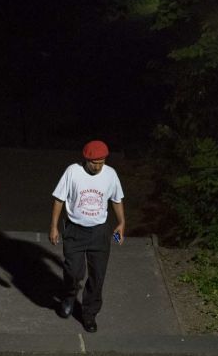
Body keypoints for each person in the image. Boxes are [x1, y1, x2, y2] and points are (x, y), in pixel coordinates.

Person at [49, 140, 125, 333]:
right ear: (86, 159)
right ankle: (69, 295)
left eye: (102, 162)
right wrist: (54, 226)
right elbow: (59, 199)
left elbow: (117, 199)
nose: (98, 166)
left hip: (100, 231)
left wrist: (121, 223)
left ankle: (89, 313)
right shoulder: (73, 172)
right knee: (74, 271)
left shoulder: (110, 174)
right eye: (94, 162)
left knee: (98, 274)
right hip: (75, 230)